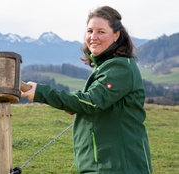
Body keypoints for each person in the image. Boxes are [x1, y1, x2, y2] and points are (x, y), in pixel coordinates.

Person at [21, 6, 153, 174]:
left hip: (119, 166)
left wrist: (42, 92)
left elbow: (91, 101)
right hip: (102, 165)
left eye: (101, 32)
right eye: (90, 31)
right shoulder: (106, 67)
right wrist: (73, 105)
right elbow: (92, 103)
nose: (93, 37)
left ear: (116, 35)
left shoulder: (120, 67)